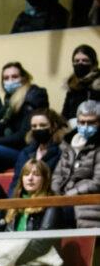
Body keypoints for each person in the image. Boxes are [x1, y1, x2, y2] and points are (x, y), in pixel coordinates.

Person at [0, 62, 48, 172]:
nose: (10, 81)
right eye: (6, 78)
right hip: (12, 149)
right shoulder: (10, 101)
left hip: (26, 151)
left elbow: (23, 136)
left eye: (14, 77)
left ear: (24, 78)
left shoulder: (33, 97)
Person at [51, 99, 100, 231]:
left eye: (91, 122)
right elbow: (57, 175)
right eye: (81, 122)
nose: (85, 126)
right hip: (63, 201)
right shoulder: (69, 144)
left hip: (88, 205)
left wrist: (69, 195)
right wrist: (55, 196)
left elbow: (97, 182)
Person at [9, 109, 66, 194]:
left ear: (53, 126)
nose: (38, 129)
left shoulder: (62, 151)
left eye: (42, 125)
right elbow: (16, 182)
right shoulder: (26, 153)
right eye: (34, 126)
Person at [61, 45, 100, 126]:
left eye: (85, 60)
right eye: (76, 61)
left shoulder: (97, 85)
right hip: (73, 130)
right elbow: (65, 114)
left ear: (93, 63)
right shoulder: (72, 85)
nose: (80, 63)